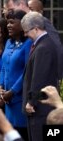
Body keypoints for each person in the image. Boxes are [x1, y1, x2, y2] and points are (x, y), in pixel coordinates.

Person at [21, 11, 60, 141]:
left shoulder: (43, 47)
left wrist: (31, 102)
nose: (25, 34)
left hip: (40, 109)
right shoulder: (44, 44)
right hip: (40, 108)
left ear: (36, 28)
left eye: (26, 31)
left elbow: (39, 78)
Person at [3, 0, 63, 79]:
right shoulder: (24, 23)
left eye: (11, 10)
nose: (8, 13)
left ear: (21, 5)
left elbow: (56, 47)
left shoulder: (40, 20)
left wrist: (58, 77)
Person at [0, 10, 32, 141]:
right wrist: (0, 87)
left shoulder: (28, 43)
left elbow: (27, 71)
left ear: (23, 24)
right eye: (7, 22)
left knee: (21, 135)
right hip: (7, 101)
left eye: (12, 22)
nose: (8, 25)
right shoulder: (8, 42)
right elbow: (3, 68)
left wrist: (12, 91)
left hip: (19, 100)